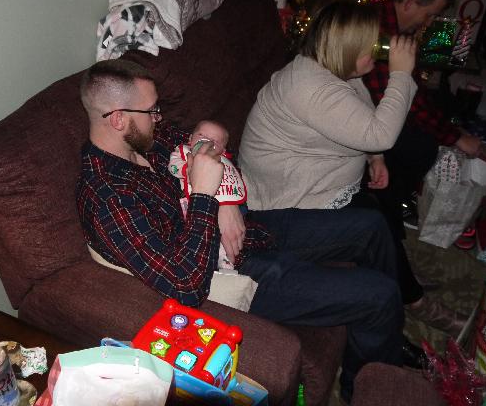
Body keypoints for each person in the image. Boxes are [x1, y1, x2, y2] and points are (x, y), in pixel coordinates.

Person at [76, 59, 410, 403]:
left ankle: (385, 335)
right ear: (118, 119)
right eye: (151, 111)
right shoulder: (108, 199)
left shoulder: (147, 139)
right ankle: (369, 388)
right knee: (379, 296)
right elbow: (186, 287)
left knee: (371, 226)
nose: (159, 118)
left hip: (248, 228)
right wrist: (206, 196)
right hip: (231, 272)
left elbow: (210, 145)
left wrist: (225, 201)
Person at [238, 0, 466, 337]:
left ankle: (398, 271)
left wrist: (375, 158)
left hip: (319, 180)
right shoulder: (310, 87)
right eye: (368, 46)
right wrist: (401, 75)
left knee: (390, 186)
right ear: (345, 49)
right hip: (286, 204)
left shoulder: (334, 71)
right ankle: (414, 300)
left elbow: (362, 116)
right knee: (374, 216)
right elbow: (380, 133)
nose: (377, 51)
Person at [362, 0, 482, 232]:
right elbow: (401, 101)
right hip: (365, 111)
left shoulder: (397, 27)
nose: (429, 23)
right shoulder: (380, 33)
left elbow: (413, 88)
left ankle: (402, 190)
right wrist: (454, 137)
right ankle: (394, 199)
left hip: (386, 103)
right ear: (409, 3)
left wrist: (449, 130)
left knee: (443, 104)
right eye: (430, 14)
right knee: (422, 145)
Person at [168, 120, 246, 269]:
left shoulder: (224, 162)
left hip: (226, 206)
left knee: (227, 230)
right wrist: (187, 170)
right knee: (203, 229)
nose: (207, 142)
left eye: (215, 141)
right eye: (201, 135)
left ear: (223, 150)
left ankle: (226, 260)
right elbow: (173, 166)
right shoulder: (183, 153)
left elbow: (234, 179)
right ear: (190, 139)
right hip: (196, 203)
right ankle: (215, 259)